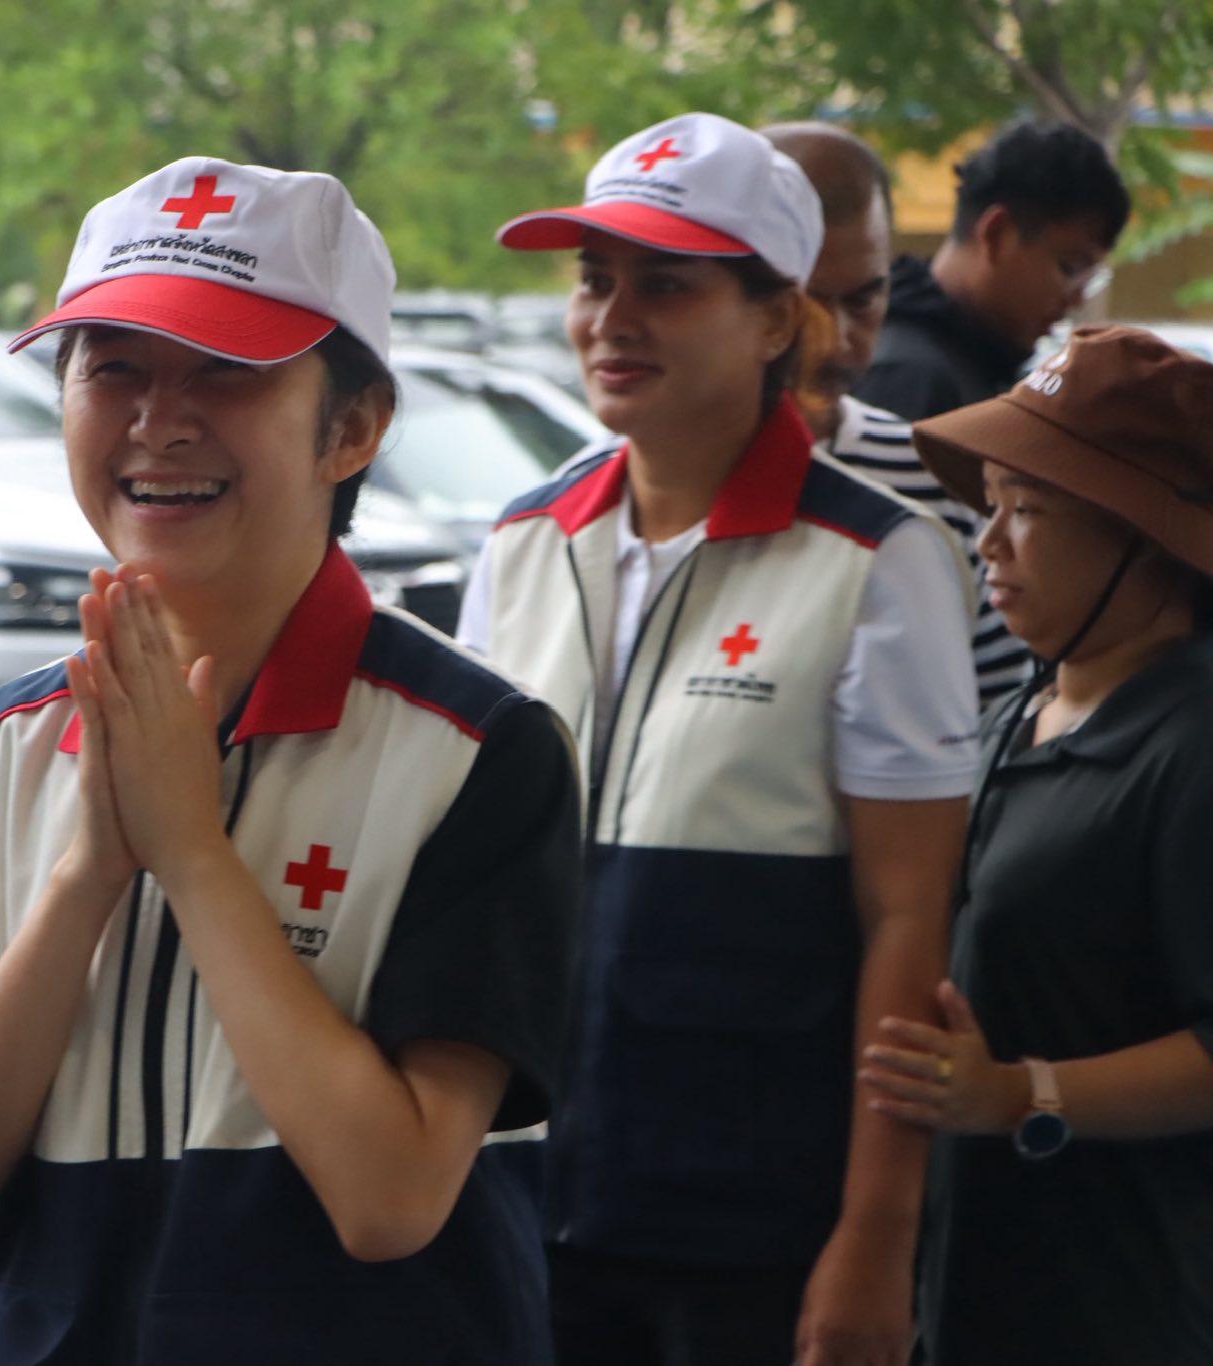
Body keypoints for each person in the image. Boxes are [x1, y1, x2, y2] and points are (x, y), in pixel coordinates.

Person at [0, 157, 582, 1365]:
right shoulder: (7, 743)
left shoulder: (477, 748)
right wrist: (86, 875)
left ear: (350, 427)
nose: (157, 421)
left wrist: (194, 855)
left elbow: (390, 1197)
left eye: (225, 370)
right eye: (112, 369)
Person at [464, 112, 979, 1366]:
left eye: (665, 285)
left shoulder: (878, 557)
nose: (611, 318)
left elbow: (906, 918)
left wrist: (875, 1231)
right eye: (593, 278)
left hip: (754, 1223)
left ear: (774, 320)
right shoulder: (521, 543)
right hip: (516, 1198)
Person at [861, 324, 1213, 1365]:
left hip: (1120, 1301)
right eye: (990, 504)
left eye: (1029, 509)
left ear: (1142, 536)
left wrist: (1022, 1094)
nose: (989, 543)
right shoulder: (1017, 710)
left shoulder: (1190, 746)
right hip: (969, 1285)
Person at [763, 120, 1025, 707]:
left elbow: (996, 716)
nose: (837, 341)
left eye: (863, 299)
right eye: (805, 304)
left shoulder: (942, 480)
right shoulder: (621, 492)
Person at [853, 119, 1128, 422]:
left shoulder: (975, 361)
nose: (1075, 299)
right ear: (997, 234)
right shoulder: (911, 377)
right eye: (1069, 268)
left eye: (1090, 280)